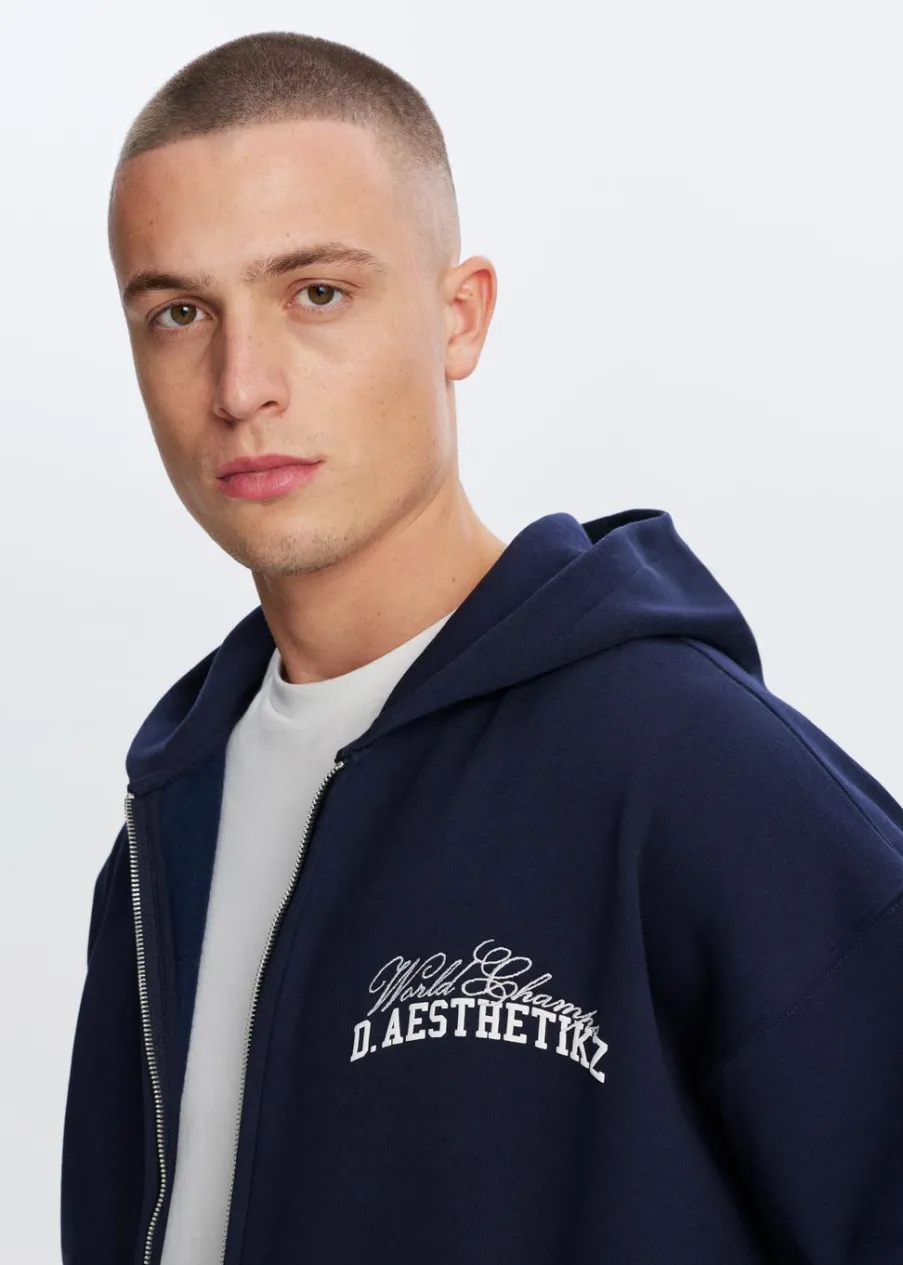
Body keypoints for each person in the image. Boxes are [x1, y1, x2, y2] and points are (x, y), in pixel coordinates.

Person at [61, 30, 903, 1265]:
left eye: (316, 292)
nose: (242, 385)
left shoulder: (686, 767)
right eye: (180, 312)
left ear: (460, 319)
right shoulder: (162, 839)